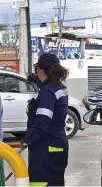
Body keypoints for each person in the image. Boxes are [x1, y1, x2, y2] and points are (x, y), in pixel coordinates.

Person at [21, 53, 70, 186]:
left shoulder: (47, 91)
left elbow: (42, 122)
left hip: (45, 149)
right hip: (58, 146)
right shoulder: (59, 87)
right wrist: (32, 78)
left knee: (41, 183)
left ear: (41, 70)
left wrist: (26, 140)